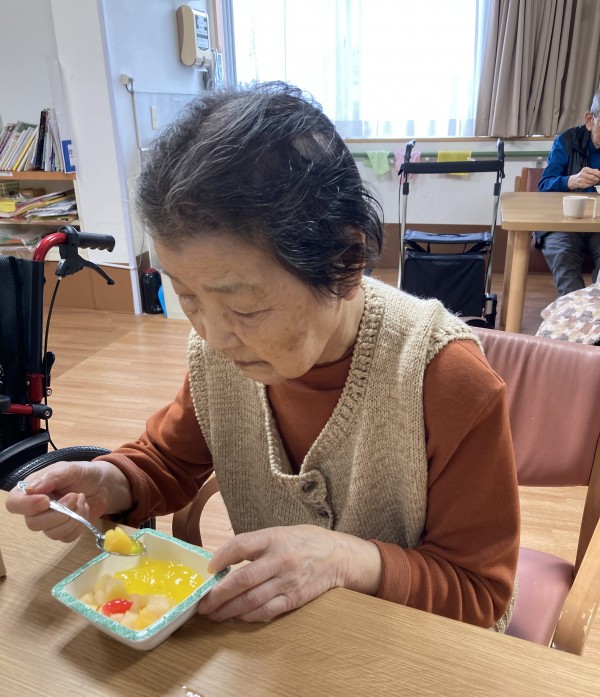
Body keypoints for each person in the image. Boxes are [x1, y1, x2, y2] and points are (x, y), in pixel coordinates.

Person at [6, 82, 519, 630]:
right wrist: (107, 481)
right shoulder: (218, 358)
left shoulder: (444, 378)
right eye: (187, 296)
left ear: (345, 262)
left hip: (405, 652)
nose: (214, 336)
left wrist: (349, 560)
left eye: (245, 308)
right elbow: (169, 460)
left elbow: (480, 594)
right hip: (277, 647)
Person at [537, 89, 600, 295]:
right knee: (564, 257)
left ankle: (594, 311)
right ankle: (573, 311)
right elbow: (544, 185)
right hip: (562, 223)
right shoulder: (567, 141)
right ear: (590, 120)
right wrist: (572, 180)